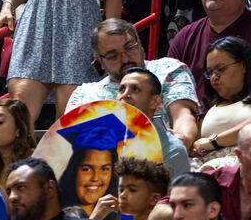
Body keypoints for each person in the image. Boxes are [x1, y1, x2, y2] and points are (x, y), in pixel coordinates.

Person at [66, 19, 200, 150]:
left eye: (130, 48)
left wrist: (183, 138)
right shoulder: (85, 95)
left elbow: (183, 114)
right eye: (113, 56)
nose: (125, 59)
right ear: (99, 60)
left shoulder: (168, 69)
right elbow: (72, 140)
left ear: (140, 44)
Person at [193, 38, 251, 165]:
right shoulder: (208, 107)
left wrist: (214, 142)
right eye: (210, 72)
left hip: (242, 163)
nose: (214, 77)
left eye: (220, 69)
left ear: (243, 66)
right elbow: (196, 146)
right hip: (203, 168)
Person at [114, 68, 191, 177]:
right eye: (122, 89)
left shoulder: (172, 150)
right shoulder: (101, 136)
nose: (125, 95)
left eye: (135, 89)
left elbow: (172, 194)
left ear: (155, 101)